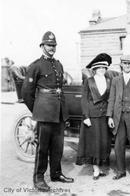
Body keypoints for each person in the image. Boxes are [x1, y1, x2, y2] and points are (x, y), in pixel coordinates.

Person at [22, 31, 74, 192]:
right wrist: (37, 110)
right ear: (42, 46)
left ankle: (56, 173)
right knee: (43, 147)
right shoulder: (35, 66)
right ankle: (38, 178)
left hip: (58, 113)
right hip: (44, 113)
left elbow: (61, 90)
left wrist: (64, 114)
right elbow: (26, 93)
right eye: (49, 45)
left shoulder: (58, 65)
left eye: (53, 45)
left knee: (58, 146)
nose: (51, 48)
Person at [76, 53, 115, 180]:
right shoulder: (89, 81)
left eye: (104, 68)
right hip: (92, 117)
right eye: (99, 68)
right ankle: (96, 170)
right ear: (94, 69)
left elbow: (110, 100)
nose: (102, 70)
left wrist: (110, 116)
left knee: (103, 143)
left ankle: (100, 167)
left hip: (104, 117)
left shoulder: (109, 81)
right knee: (94, 143)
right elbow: (84, 100)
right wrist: (86, 116)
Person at [107, 55, 130, 182]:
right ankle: (120, 171)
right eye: (125, 63)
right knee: (119, 145)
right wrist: (109, 117)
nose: (127, 66)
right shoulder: (116, 80)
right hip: (119, 116)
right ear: (121, 65)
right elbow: (111, 99)